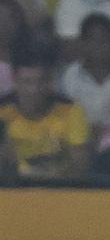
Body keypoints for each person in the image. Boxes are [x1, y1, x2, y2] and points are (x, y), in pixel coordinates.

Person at [0, 44, 90, 182]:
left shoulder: (71, 111)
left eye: (41, 81)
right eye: (27, 81)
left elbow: (80, 167)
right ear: (14, 80)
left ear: (50, 81)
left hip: (61, 190)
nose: (34, 90)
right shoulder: (2, 112)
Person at [60, 13, 110, 142]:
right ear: (82, 42)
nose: (99, 46)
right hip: (77, 141)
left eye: (104, 40)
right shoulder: (70, 76)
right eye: (93, 40)